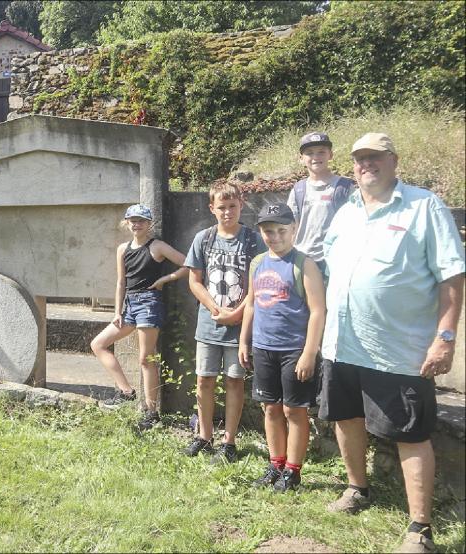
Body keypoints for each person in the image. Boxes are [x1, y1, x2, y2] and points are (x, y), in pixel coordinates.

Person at [318, 133, 464, 553]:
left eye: (375, 157)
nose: (367, 164)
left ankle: (420, 528)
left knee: (410, 433)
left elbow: (451, 275)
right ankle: (357, 488)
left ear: (393, 160)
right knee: (345, 419)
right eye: (360, 159)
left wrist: (446, 337)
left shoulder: (423, 206)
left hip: (398, 349)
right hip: (341, 343)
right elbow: (329, 271)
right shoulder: (345, 211)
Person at [238, 203, 325, 492]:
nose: (274, 236)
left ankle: (293, 470)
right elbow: (251, 303)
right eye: (268, 231)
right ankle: (275, 463)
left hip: (294, 351)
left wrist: (309, 353)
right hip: (263, 348)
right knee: (271, 408)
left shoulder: (304, 264)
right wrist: (244, 339)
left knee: (294, 411)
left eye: (281, 230)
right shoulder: (258, 262)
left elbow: (317, 311)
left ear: (294, 229)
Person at [183, 182, 264, 463]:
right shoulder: (203, 239)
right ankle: (204, 436)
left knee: (234, 381)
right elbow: (194, 280)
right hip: (209, 324)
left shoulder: (254, 241)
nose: (227, 212)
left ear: (241, 205)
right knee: (204, 380)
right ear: (212, 209)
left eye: (232, 206)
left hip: (240, 326)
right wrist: (214, 307)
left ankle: (229, 441)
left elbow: (258, 285)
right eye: (221, 207)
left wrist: (238, 313)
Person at [89, 204, 188, 431]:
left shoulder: (157, 246)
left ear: (149, 223)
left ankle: (151, 412)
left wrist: (165, 280)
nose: (136, 224)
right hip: (130, 305)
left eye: (141, 220)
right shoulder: (122, 249)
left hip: (149, 303)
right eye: (132, 220)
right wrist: (117, 311)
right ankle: (126, 392)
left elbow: (188, 264)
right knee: (98, 344)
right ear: (127, 222)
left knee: (146, 358)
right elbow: (121, 282)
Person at [285, 132, 355, 275]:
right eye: (309, 153)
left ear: (330, 155)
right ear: (301, 158)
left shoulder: (345, 187)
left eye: (321, 152)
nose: (316, 157)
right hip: (301, 260)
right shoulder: (298, 189)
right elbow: (292, 227)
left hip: (334, 262)